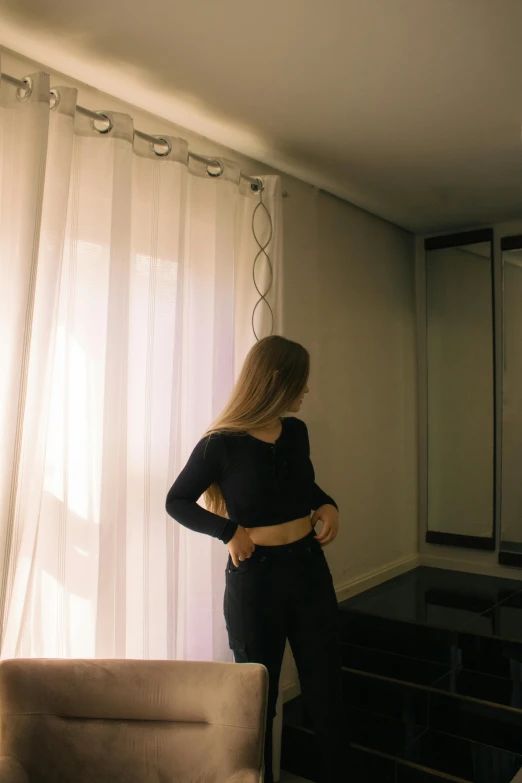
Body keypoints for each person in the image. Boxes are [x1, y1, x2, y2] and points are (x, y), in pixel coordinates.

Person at [166, 335, 346, 783]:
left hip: (308, 570)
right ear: (277, 380)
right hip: (256, 583)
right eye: (302, 383)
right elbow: (177, 501)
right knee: (256, 704)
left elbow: (301, 488)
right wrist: (228, 532)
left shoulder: (297, 433)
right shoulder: (221, 444)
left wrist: (327, 505)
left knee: (327, 691)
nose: (307, 392)